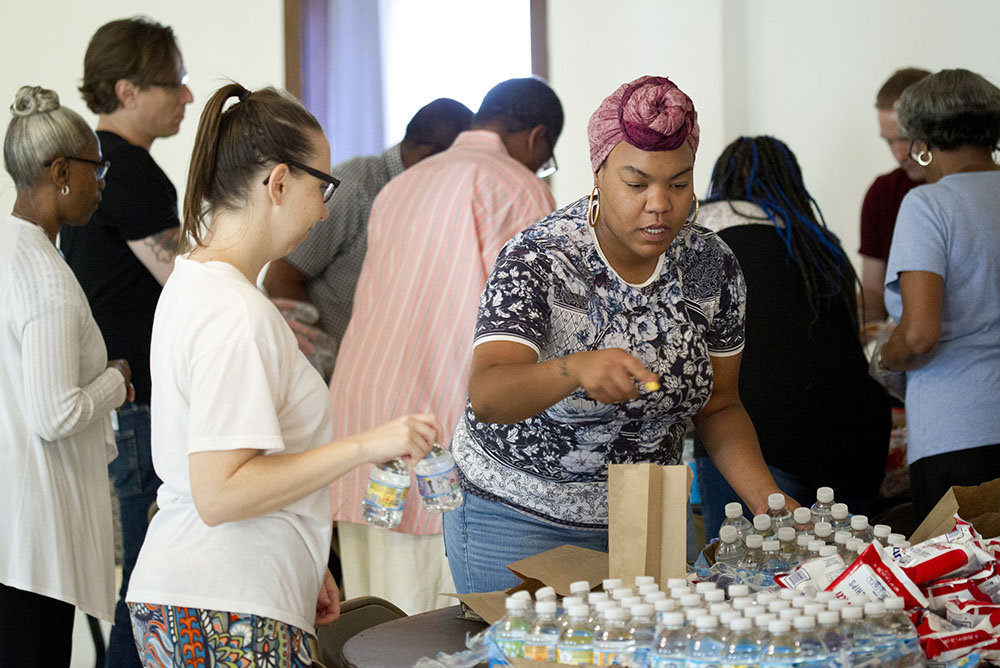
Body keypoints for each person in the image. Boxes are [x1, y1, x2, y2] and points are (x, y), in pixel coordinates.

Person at [125, 83, 441, 667]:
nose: (323, 209)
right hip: (224, 602)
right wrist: (365, 445)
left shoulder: (197, 281)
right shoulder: (234, 313)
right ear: (277, 183)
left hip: (215, 591)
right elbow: (221, 491)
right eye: (321, 187)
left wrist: (306, 555)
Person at [444, 75, 793, 594]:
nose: (660, 203)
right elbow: (490, 394)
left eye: (678, 184)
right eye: (637, 183)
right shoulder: (539, 259)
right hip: (520, 519)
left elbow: (719, 406)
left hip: (645, 517)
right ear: (599, 173)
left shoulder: (710, 265)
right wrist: (574, 368)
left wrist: (771, 503)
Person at [327, 76, 562, 613]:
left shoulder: (401, 184)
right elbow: (540, 330)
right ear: (536, 138)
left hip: (363, 425)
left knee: (371, 621)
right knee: (433, 625)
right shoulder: (520, 188)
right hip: (437, 431)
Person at [59, 18, 193, 667]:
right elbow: (190, 281)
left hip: (121, 401)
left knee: (142, 582)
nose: (187, 98)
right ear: (128, 90)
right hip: (134, 407)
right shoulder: (131, 172)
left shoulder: (102, 168)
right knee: (146, 585)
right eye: (176, 84)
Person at [693, 136, 892, 539]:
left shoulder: (702, 236)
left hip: (759, 436)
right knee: (845, 582)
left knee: (753, 583)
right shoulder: (818, 242)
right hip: (854, 438)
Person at [0, 86, 132, 667]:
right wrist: (116, 379)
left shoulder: (9, 250)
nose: (102, 179)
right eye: (94, 165)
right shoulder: (44, 275)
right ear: (59, 172)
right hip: (32, 535)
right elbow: (54, 414)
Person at [877, 69, 1000, 524]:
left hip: (957, 432)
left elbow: (919, 334)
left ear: (920, 137)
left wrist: (883, 358)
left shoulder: (928, 205)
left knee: (962, 588)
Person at [263, 97, 474, 361]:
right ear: (430, 155)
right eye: (463, 163)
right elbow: (280, 279)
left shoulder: (431, 200)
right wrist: (332, 363)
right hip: (330, 378)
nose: (467, 175)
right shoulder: (357, 188)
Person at [859, 68, 930, 327]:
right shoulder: (882, 192)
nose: (899, 154)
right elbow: (874, 294)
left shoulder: (960, 191)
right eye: (889, 142)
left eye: (905, 139)